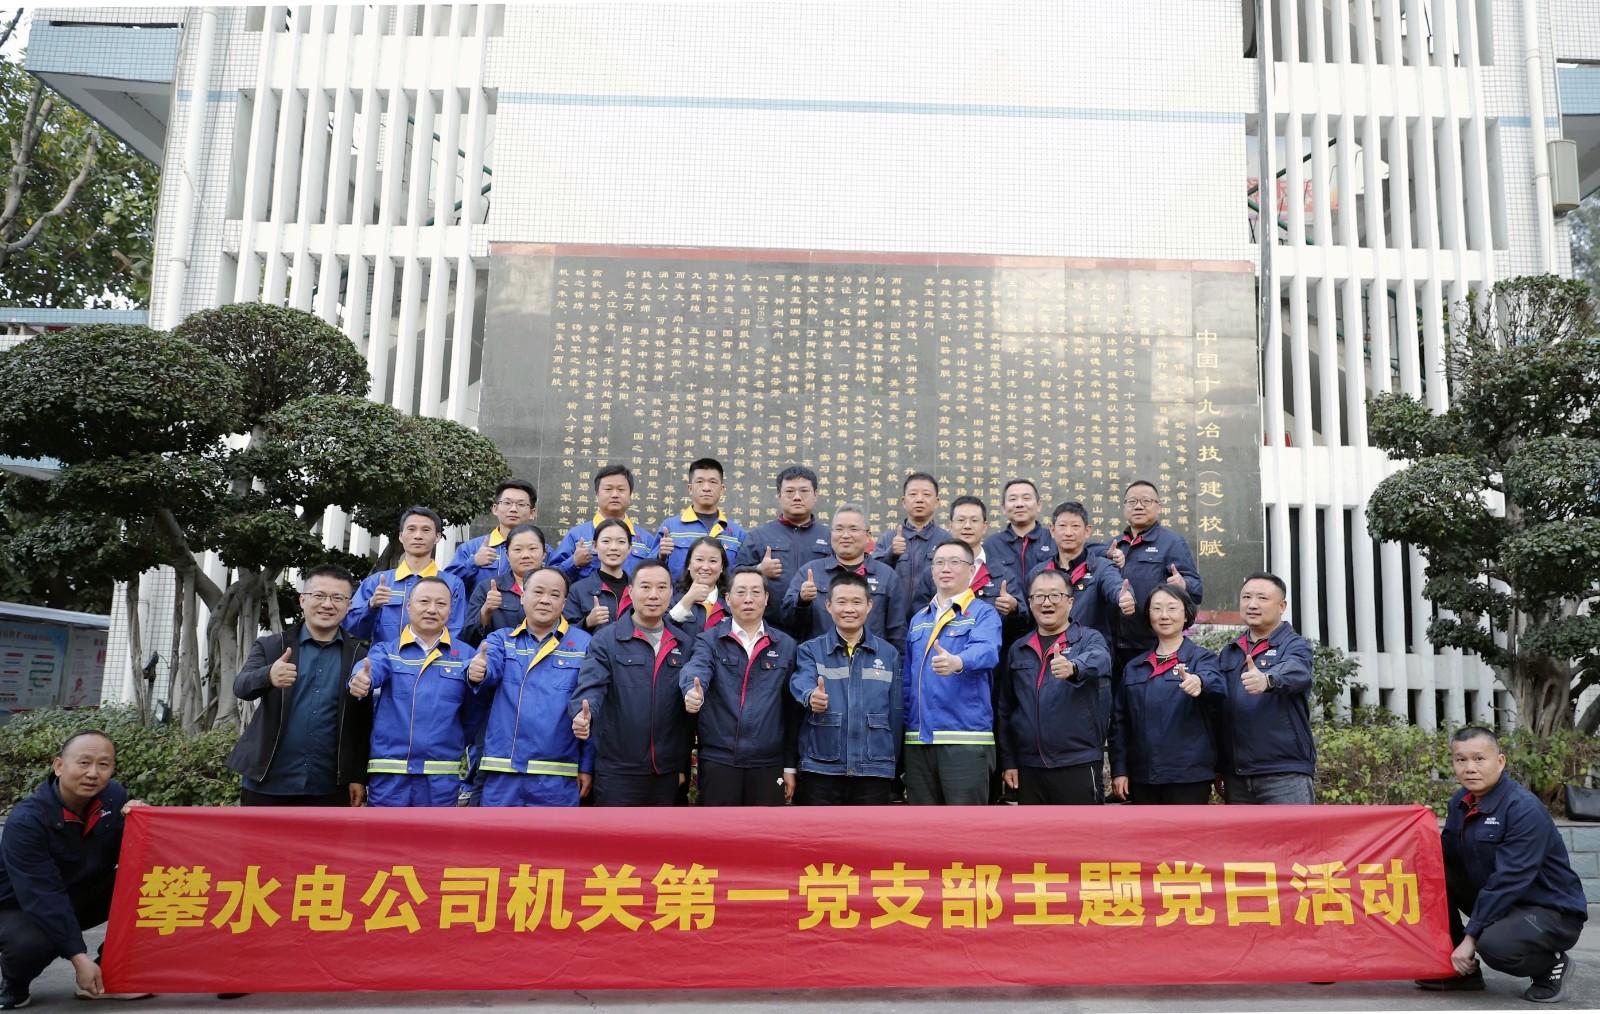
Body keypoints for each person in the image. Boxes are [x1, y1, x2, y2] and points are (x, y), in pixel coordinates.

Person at [1417, 727, 1587, 1003]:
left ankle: (1550, 965)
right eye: (1461, 760)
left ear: (1500, 761)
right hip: (1503, 901)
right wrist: (1419, 827)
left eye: (1479, 759)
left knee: (1494, 946)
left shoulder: (1523, 808)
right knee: (1430, 875)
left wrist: (1471, 938)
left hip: (1549, 910)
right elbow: (1444, 857)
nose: (1469, 768)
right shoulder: (1460, 801)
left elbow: (1509, 880)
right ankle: (1461, 972)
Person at [0, 732, 148, 1007]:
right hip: (18, 905)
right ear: (59, 766)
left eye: (103, 765)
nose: (93, 773)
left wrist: (140, 821)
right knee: (34, 943)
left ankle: (108, 974)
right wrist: (78, 958)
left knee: (153, 888)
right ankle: (14, 983)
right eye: (84, 762)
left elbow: (131, 853)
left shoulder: (114, 798)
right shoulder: (27, 821)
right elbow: (42, 895)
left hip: (79, 891)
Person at [227, 563, 373, 807]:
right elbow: (241, 687)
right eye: (319, 595)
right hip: (267, 782)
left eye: (338, 598)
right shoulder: (272, 646)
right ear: (302, 600)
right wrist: (268, 676)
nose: (327, 604)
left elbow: (362, 724)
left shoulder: (361, 657)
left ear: (348, 606)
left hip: (328, 787)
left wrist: (358, 777)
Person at [348, 576, 486, 807]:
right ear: (409, 606)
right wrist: (360, 679)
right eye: (424, 601)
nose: (432, 609)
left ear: (451, 610)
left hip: (440, 776)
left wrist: (453, 739)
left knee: (435, 833)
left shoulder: (467, 656)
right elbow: (371, 669)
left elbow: (474, 713)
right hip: (390, 775)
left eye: (441, 603)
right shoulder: (387, 651)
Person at [568, 560, 697, 806]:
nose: (653, 595)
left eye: (662, 587)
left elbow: (685, 714)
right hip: (617, 770)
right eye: (645, 587)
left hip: (666, 771)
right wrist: (583, 714)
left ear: (671, 592)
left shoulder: (683, 643)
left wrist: (681, 764)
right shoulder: (607, 639)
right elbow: (591, 686)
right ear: (630, 591)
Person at [467, 567, 594, 807]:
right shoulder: (501, 639)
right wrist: (477, 671)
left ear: (564, 603)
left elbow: (591, 705)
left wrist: (587, 765)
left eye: (554, 595)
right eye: (538, 592)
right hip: (503, 771)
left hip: (557, 775)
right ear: (523, 596)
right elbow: (487, 667)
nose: (545, 600)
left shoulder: (584, 644)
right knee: (498, 833)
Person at [680, 567, 801, 805]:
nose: (748, 599)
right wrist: (692, 691)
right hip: (719, 759)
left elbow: (791, 711)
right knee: (719, 827)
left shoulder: (786, 645)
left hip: (769, 762)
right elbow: (697, 668)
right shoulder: (710, 640)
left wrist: (789, 765)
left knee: (766, 827)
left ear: (766, 598)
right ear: (727, 598)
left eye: (756, 592)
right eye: (741, 592)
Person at [900, 539, 1004, 805]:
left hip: (964, 739)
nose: (945, 568)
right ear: (932, 571)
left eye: (955, 562)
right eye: (939, 563)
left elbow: (987, 651)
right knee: (923, 826)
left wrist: (959, 661)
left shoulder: (983, 613)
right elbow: (908, 681)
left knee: (965, 826)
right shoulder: (919, 619)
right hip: (918, 742)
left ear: (971, 570)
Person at [998, 568, 1113, 805]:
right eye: (1039, 596)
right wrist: (1009, 761)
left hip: (1078, 762)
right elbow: (1006, 710)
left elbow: (1101, 659)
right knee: (1034, 830)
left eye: (1055, 595)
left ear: (1070, 601)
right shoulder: (1019, 648)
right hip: (1029, 766)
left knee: (1082, 829)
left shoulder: (1088, 639)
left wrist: (1074, 667)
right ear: (1030, 603)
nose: (1046, 602)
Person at [790, 573, 903, 805]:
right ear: (828, 606)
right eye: (841, 602)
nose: (849, 609)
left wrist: (891, 764)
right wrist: (810, 696)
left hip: (874, 770)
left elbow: (896, 714)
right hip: (821, 767)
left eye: (856, 602)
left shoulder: (888, 654)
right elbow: (801, 680)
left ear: (869, 606)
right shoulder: (811, 650)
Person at [1109, 585, 1223, 805]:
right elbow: (1120, 723)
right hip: (1142, 777)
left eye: (1172, 608)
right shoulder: (1135, 667)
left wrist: (1200, 682)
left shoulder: (1202, 659)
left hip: (1189, 777)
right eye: (1157, 608)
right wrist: (1120, 769)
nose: (1164, 615)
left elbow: (1218, 687)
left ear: (1186, 614)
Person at [1216, 572, 1316, 805]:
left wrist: (1268, 680)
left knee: (1293, 831)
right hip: (1237, 775)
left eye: (1262, 598)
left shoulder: (1295, 645)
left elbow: (1296, 671)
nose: (1252, 604)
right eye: (1246, 597)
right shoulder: (1231, 650)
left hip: (1284, 774)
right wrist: (1219, 764)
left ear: (1282, 606)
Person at [1105, 480, 1203, 681]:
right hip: (1113, 647)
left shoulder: (1172, 542)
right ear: (1124, 507)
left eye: (1146, 501)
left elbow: (1197, 590)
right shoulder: (1114, 545)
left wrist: (1184, 584)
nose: (1138, 506)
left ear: (1159, 507)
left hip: (1151, 645)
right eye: (1132, 501)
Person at [781, 504, 906, 649]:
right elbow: (788, 623)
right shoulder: (810, 572)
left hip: (872, 659)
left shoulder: (886, 575)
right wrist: (801, 601)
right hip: (820, 659)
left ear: (868, 536)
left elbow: (897, 632)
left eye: (853, 529)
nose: (845, 535)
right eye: (839, 529)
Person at [732, 464, 834, 635]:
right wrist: (759, 570)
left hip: (819, 629)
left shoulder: (829, 537)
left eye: (804, 491)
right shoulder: (759, 536)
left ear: (816, 495)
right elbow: (734, 576)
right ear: (779, 495)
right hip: (771, 629)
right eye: (789, 492)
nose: (797, 497)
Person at [345, 506, 468, 646]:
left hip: (433, 659)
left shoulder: (453, 584)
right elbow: (355, 629)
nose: (418, 536)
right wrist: (371, 606)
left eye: (426, 530)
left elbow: (455, 632)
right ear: (400, 536)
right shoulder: (376, 582)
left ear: (437, 537)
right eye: (411, 529)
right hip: (384, 659)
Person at [547, 464, 657, 582]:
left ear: (630, 495)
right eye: (608, 489)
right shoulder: (576, 536)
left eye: (621, 490)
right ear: (597, 494)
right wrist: (574, 562)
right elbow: (551, 577)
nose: (615, 495)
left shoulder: (646, 540)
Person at [872, 472, 950, 635]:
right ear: (904, 501)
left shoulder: (947, 541)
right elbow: (873, 577)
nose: (919, 499)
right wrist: (891, 554)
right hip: (891, 625)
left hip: (936, 624)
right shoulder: (887, 539)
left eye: (926, 494)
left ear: (937, 502)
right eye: (913, 494)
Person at [982, 478, 1057, 643]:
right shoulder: (991, 545)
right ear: (1003, 508)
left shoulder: (1054, 539)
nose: (1019, 504)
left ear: (1039, 505)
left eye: (1026, 498)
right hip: (1006, 632)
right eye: (1013, 499)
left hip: (1050, 630)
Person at [656, 457, 746, 582]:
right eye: (700, 481)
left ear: (722, 489)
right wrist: (660, 555)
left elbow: (742, 574)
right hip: (681, 594)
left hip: (721, 595)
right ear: (690, 488)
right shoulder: (670, 527)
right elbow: (649, 569)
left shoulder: (737, 534)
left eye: (713, 482)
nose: (706, 488)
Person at [445, 479, 537, 597]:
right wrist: (473, 562)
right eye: (507, 503)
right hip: (481, 609)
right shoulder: (470, 549)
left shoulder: (543, 551)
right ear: (495, 509)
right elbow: (447, 585)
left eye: (521, 504)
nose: (513, 509)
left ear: (532, 513)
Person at [462, 523, 547, 645]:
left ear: (544, 553)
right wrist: (486, 611)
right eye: (517, 549)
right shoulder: (487, 588)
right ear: (507, 556)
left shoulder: (557, 588)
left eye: (532, 549)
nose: (525, 555)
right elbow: (469, 638)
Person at [914, 495, 1000, 607]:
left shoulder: (1000, 573)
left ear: (985, 526)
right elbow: (919, 612)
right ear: (950, 525)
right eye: (961, 520)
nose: (967, 526)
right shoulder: (933, 572)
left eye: (974, 520)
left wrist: (1013, 609)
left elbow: (1019, 612)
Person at [562, 518, 635, 632]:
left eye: (621, 542)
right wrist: (587, 622)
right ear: (594, 546)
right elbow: (565, 633)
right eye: (606, 541)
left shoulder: (638, 589)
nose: (613, 547)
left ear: (629, 547)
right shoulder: (578, 590)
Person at [667, 536, 731, 632]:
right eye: (699, 560)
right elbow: (664, 631)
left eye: (713, 561)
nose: (705, 567)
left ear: (722, 566)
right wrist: (687, 601)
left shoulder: (730, 604)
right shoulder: (673, 600)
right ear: (689, 564)